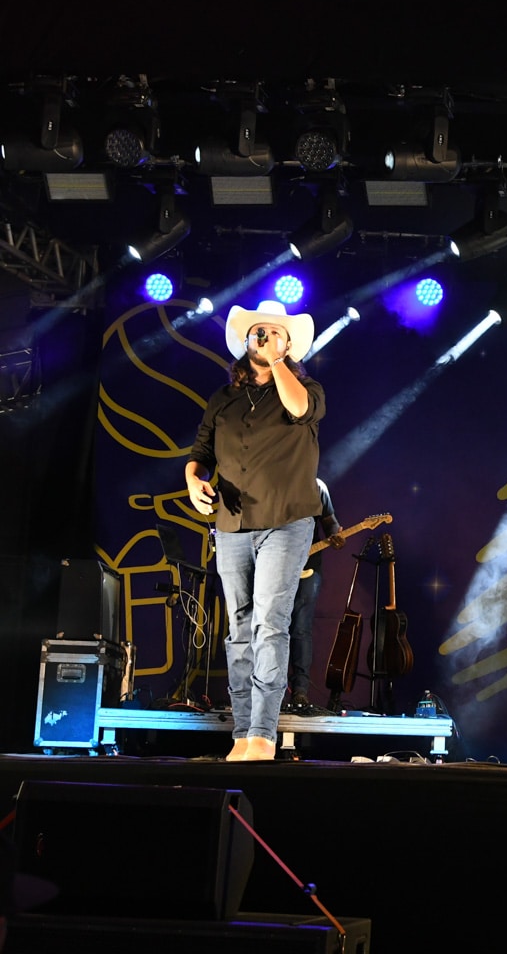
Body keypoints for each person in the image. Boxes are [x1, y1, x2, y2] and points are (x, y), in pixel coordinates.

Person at [185, 300, 325, 762]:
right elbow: (201, 452)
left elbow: (299, 408)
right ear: (244, 341)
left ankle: (264, 732)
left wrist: (278, 360)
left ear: (288, 344)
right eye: (257, 332)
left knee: (270, 623)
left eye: (274, 332)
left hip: (285, 521)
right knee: (239, 628)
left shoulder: (307, 389)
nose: (264, 338)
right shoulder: (223, 399)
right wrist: (193, 480)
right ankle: (243, 732)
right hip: (231, 524)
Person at [285, 477, 344, 712]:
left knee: (301, 627)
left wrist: (335, 534)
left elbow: (330, 521)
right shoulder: (273, 479)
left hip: (309, 565)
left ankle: (300, 691)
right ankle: (267, 690)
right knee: (271, 628)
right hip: (275, 564)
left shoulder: (317, 487)